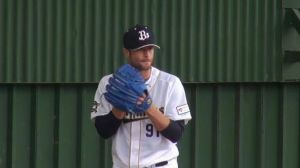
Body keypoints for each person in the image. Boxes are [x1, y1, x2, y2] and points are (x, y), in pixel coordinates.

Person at [91, 24, 192, 168]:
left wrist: (149, 107)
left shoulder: (170, 83)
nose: (147, 54)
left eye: (150, 49)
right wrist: (119, 108)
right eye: (140, 49)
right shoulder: (110, 84)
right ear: (127, 52)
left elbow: (176, 134)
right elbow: (103, 131)